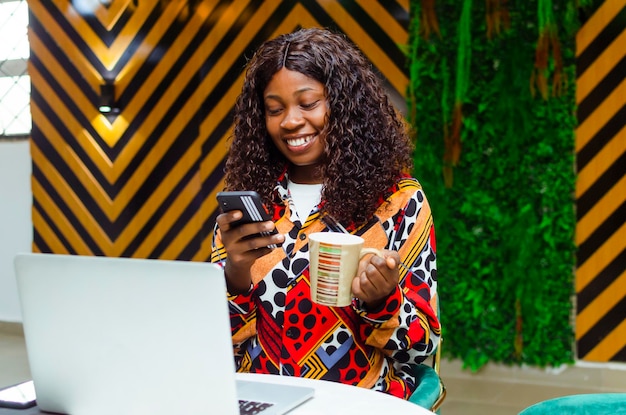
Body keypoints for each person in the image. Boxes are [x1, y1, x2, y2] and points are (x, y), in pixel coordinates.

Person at [211, 27, 440, 400]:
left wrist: (383, 300)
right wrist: (234, 277)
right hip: (260, 399)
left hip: (357, 400)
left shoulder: (399, 201)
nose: (289, 121)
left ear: (344, 104)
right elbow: (216, 344)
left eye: (307, 103)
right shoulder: (250, 209)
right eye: (274, 109)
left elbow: (421, 346)